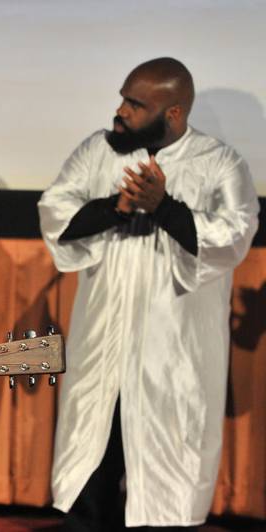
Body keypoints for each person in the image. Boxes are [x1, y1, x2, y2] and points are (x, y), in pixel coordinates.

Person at [38, 57, 259, 530]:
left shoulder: (219, 164)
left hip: (171, 366)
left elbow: (234, 235)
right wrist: (116, 208)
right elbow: (56, 212)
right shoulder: (98, 151)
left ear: (173, 114)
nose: (120, 111)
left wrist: (165, 209)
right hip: (102, 358)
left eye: (135, 105)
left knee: (165, 495)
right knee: (88, 486)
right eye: (122, 98)